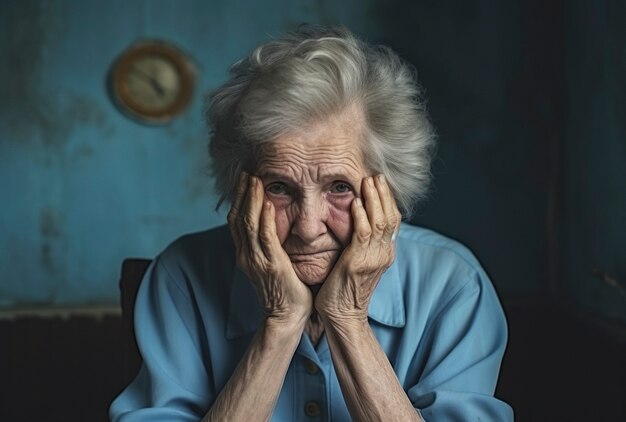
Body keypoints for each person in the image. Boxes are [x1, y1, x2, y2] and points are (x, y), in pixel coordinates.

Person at [110, 25, 513, 421]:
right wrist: (280, 323)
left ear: (387, 191)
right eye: (280, 187)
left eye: (339, 187)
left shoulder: (452, 285)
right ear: (240, 188)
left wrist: (347, 319)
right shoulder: (182, 277)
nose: (307, 227)